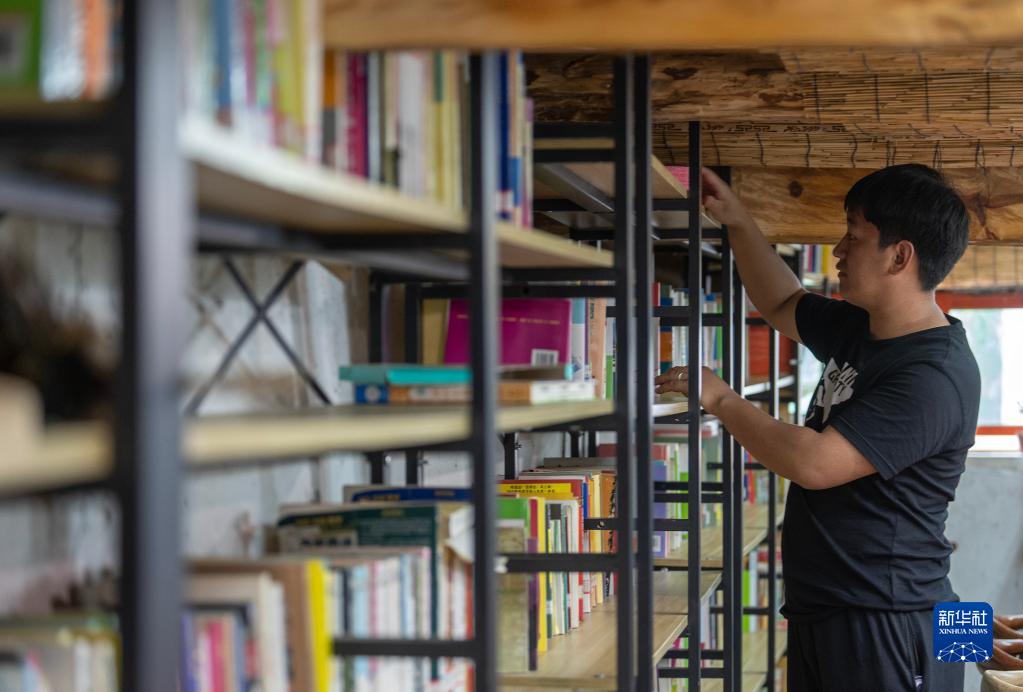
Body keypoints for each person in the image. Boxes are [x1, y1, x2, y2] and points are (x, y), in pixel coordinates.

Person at [655, 164, 980, 692]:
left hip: (886, 621)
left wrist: (720, 398)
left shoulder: (933, 373)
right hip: (841, 610)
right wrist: (737, 220)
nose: (838, 251)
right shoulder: (865, 327)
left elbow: (814, 463)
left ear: (900, 256)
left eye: (854, 236)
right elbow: (782, 303)